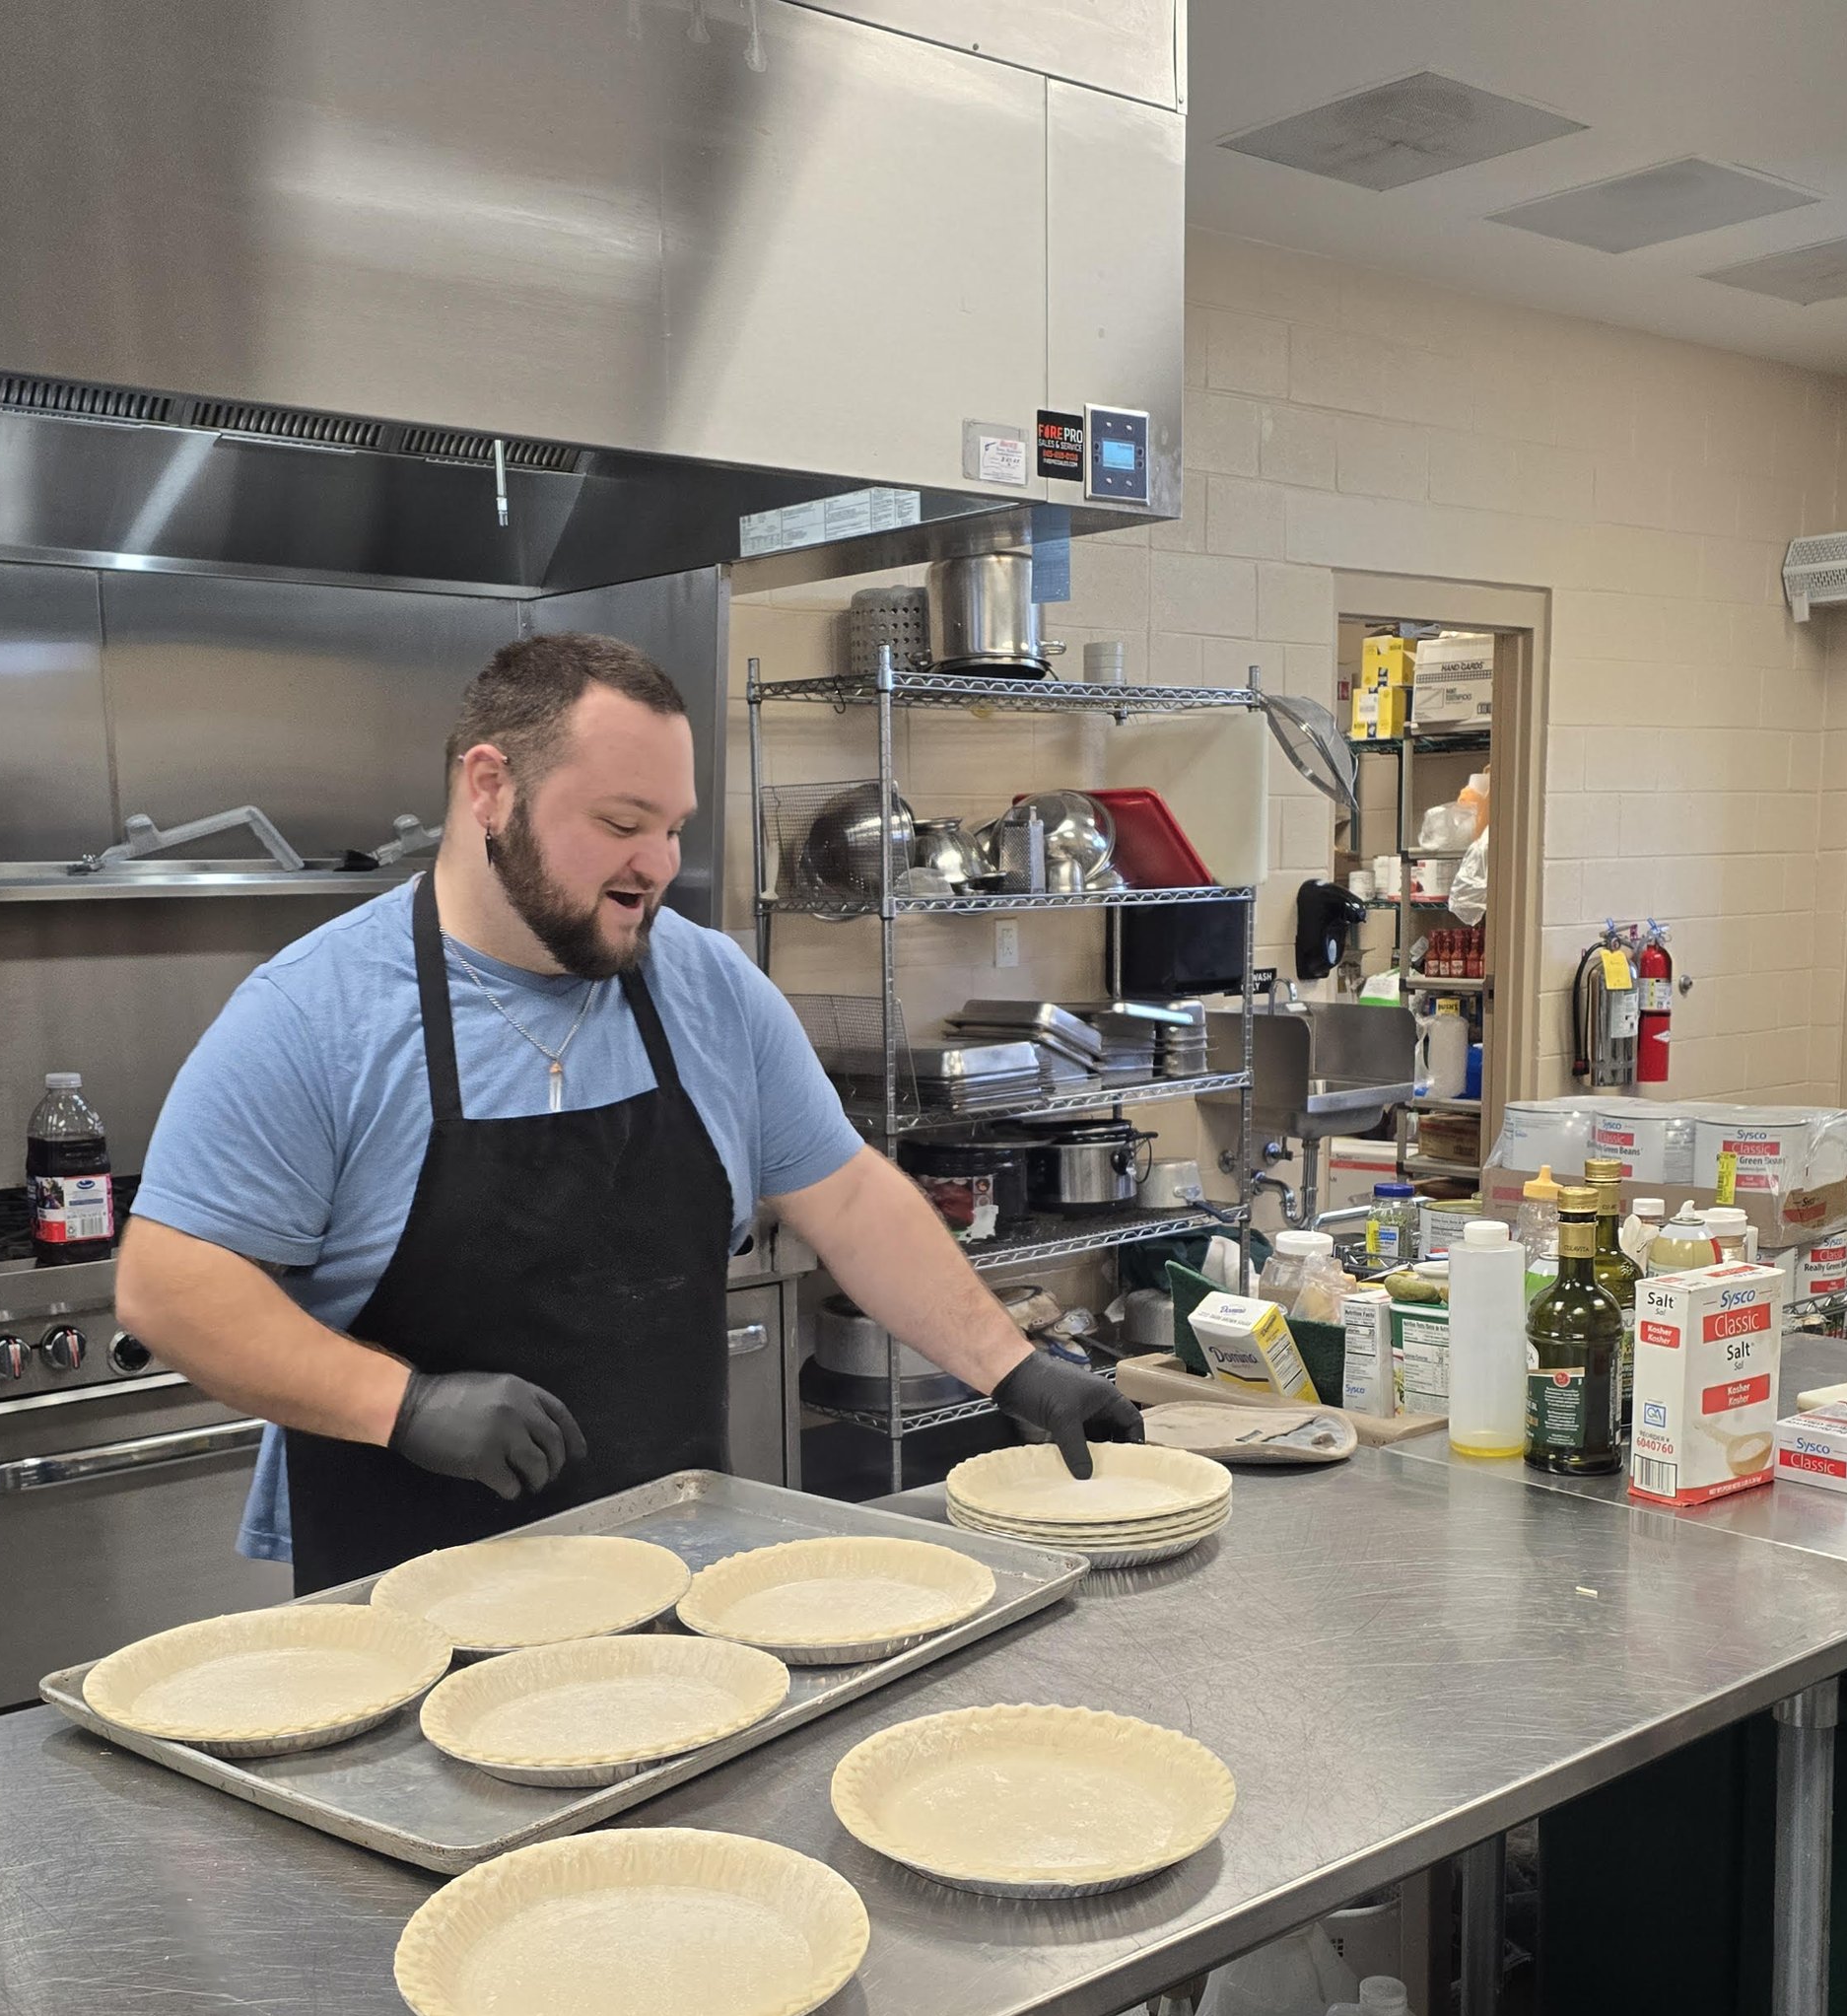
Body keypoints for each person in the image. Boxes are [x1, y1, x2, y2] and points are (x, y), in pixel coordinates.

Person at [117, 631, 1139, 1590]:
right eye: (618, 823)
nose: (656, 863)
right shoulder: (315, 1013)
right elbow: (171, 1288)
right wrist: (403, 1404)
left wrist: (1011, 1366)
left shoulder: (709, 986)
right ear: (489, 788)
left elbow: (850, 1200)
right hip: (410, 1598)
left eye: (671, 828)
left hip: (675, 1579)